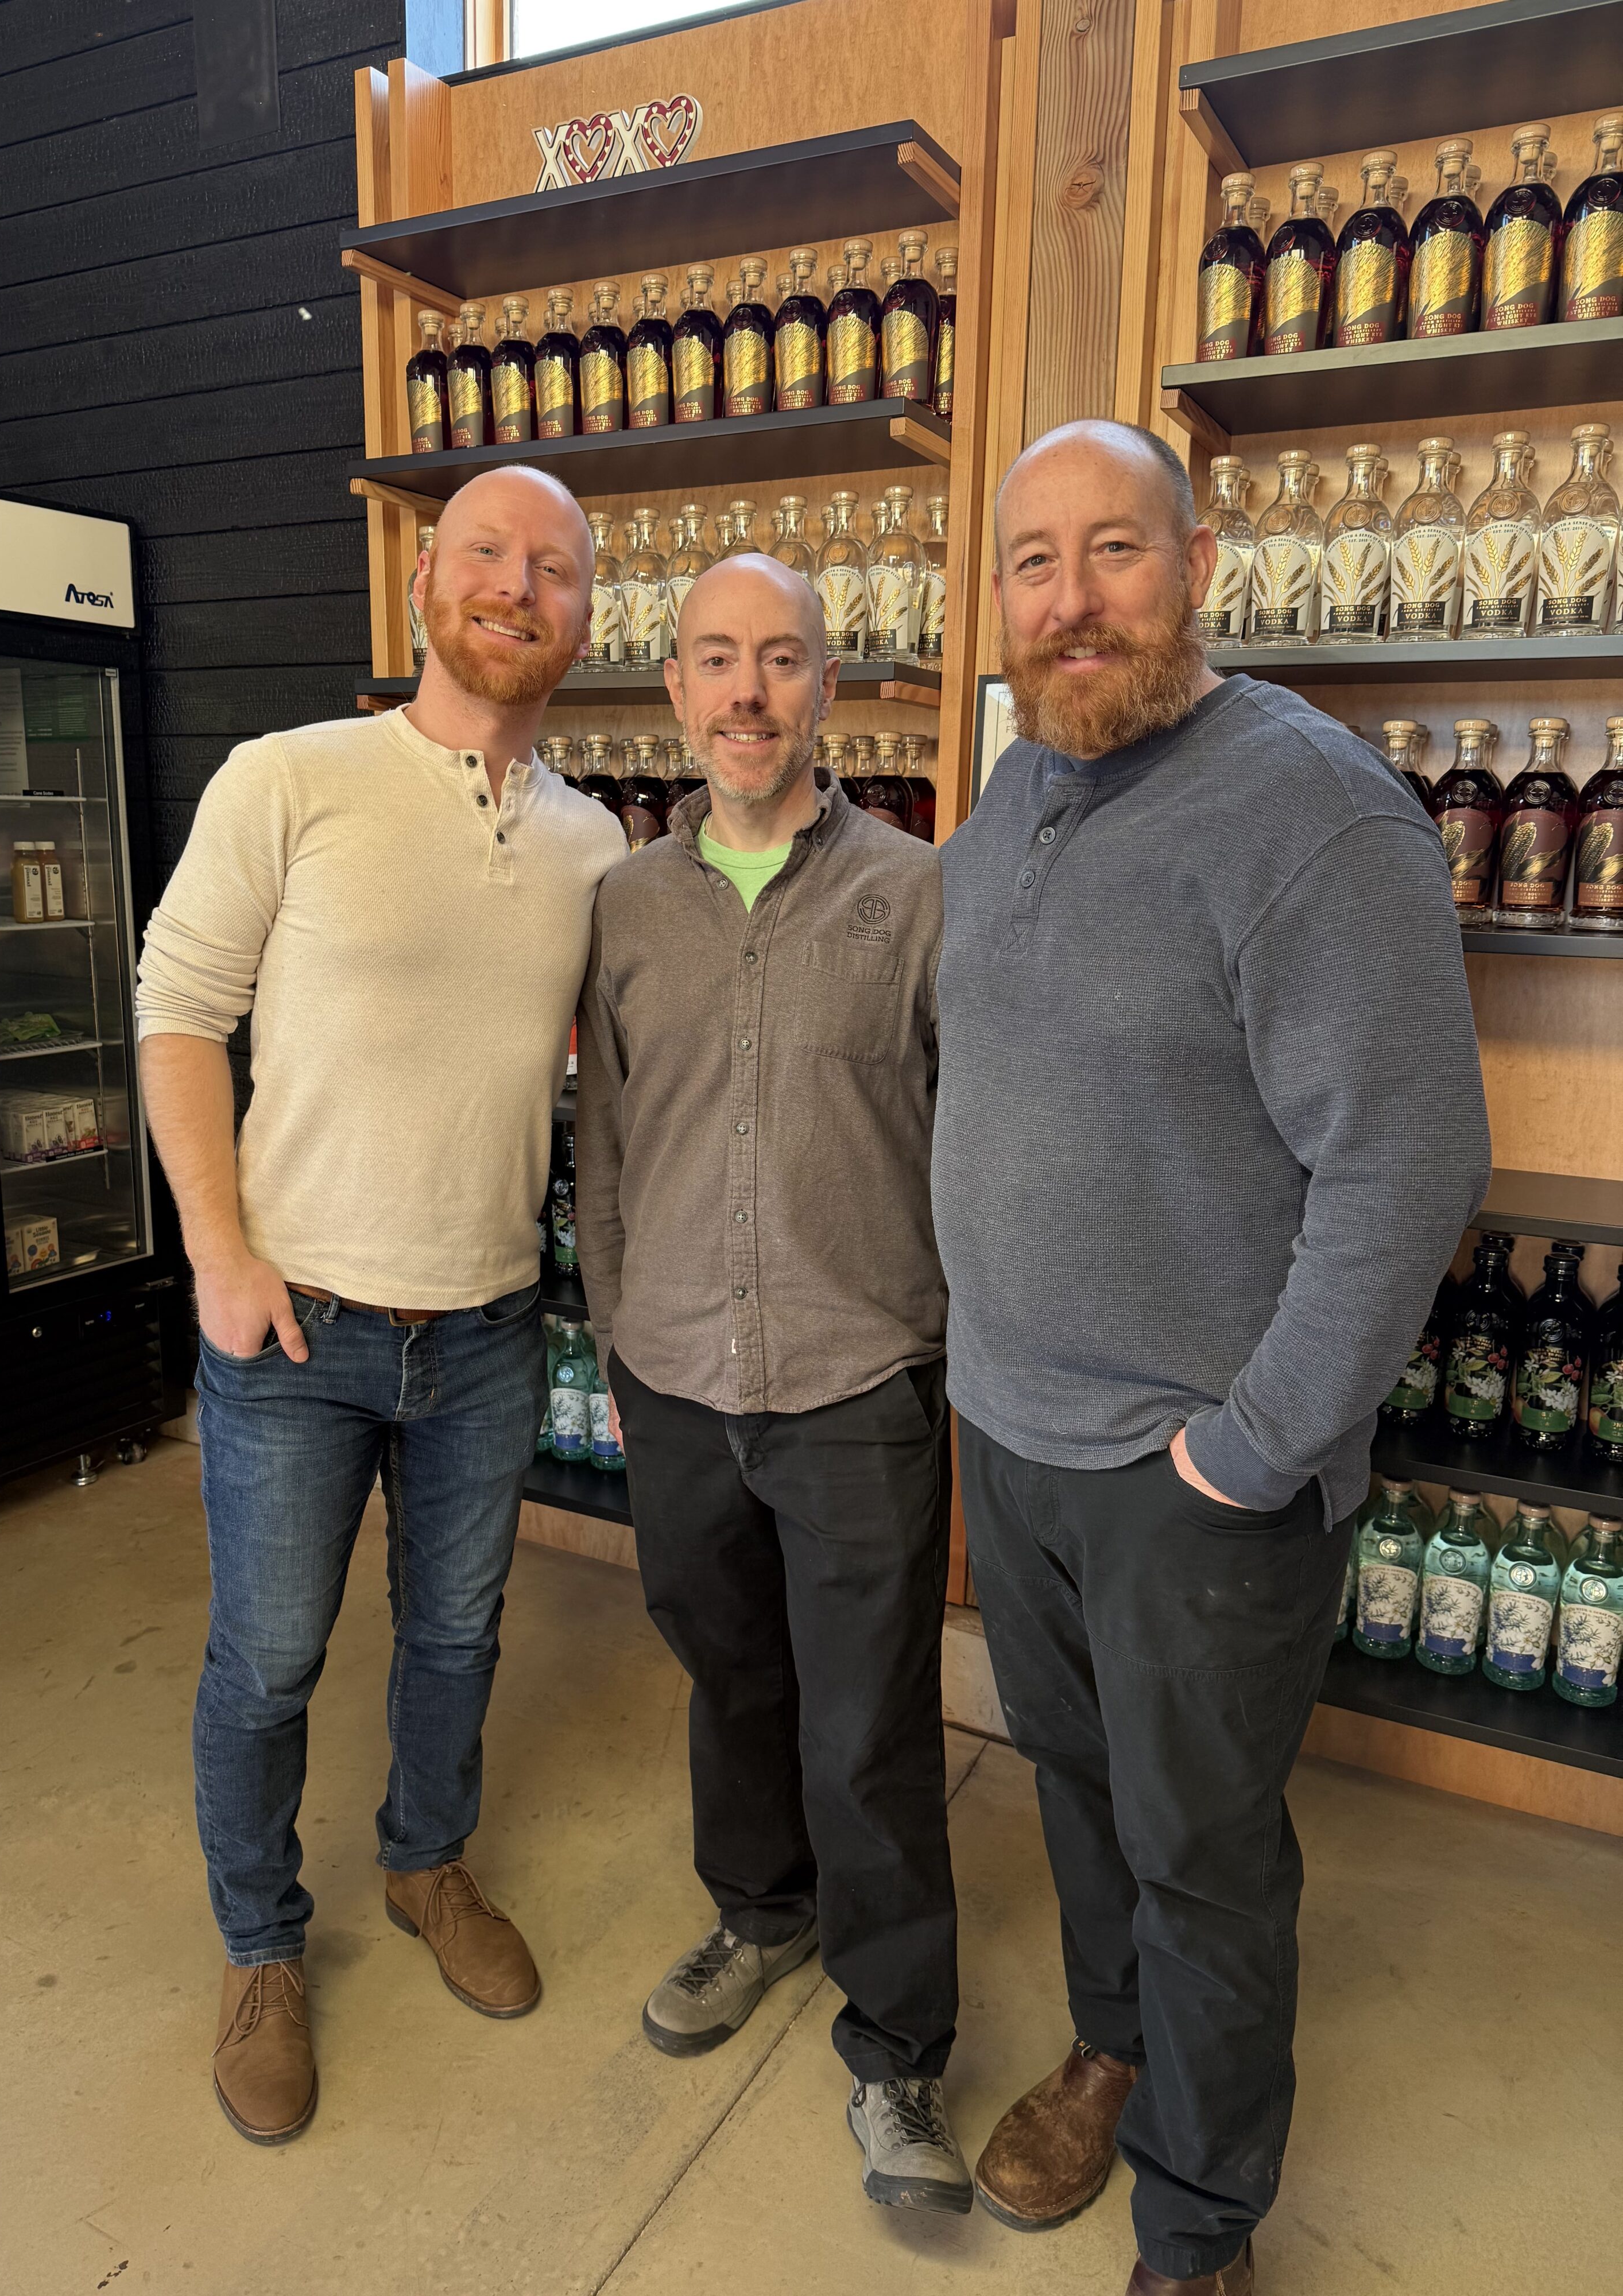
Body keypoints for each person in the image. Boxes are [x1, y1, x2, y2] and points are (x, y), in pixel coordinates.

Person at [932, 421, 1490, 2292]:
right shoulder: (1010, 797)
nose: (1070, 598)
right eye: (1031, 560)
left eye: (1113, 551)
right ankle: (1113, 2043)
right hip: (1012, 1440)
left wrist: (1256, 1449)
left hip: (1195, 1482)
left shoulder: (1314, 812)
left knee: (1206, 1857)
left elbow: (1409, 1160)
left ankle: (1201, 2223)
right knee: (1079, 1795)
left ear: (1200, 563)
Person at [135, 467, 627, 2144]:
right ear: (427, 575)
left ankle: (426, 1866)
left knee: (455, 1636)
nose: (518, 587)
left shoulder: (590, 841)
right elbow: (176, 1011)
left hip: (487, 1327)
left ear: (584, 616)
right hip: (293, 1327)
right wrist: (219, 1250)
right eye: (488, 552)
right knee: (271, 1660)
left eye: (554, 569)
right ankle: (263, 1949)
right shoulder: (290, 779)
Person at [575, 553, 970, 2214]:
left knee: (870, 1719)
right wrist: (615, 1322)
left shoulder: (917, 893)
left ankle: (898, 2050)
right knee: (726, 1671)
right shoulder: (623, 905)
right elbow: (601, 1135)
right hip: (672, 1372)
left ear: (830, 687)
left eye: (782, 661)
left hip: (855, 1379)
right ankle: (760, 1911)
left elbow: (968, 1131)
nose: (748, 692)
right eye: (717, 660)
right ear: (674, 687)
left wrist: (940, 1332)